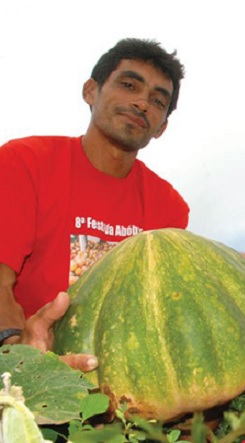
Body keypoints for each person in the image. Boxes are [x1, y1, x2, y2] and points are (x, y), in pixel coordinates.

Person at [0, 38, 189, 370]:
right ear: (91, 91)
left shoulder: (170, 207)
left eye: (157, 101)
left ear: (162, 127)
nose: (142, 103)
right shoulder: (24, 162)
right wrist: (19, 351)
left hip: (121, 384)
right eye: (129, 85)